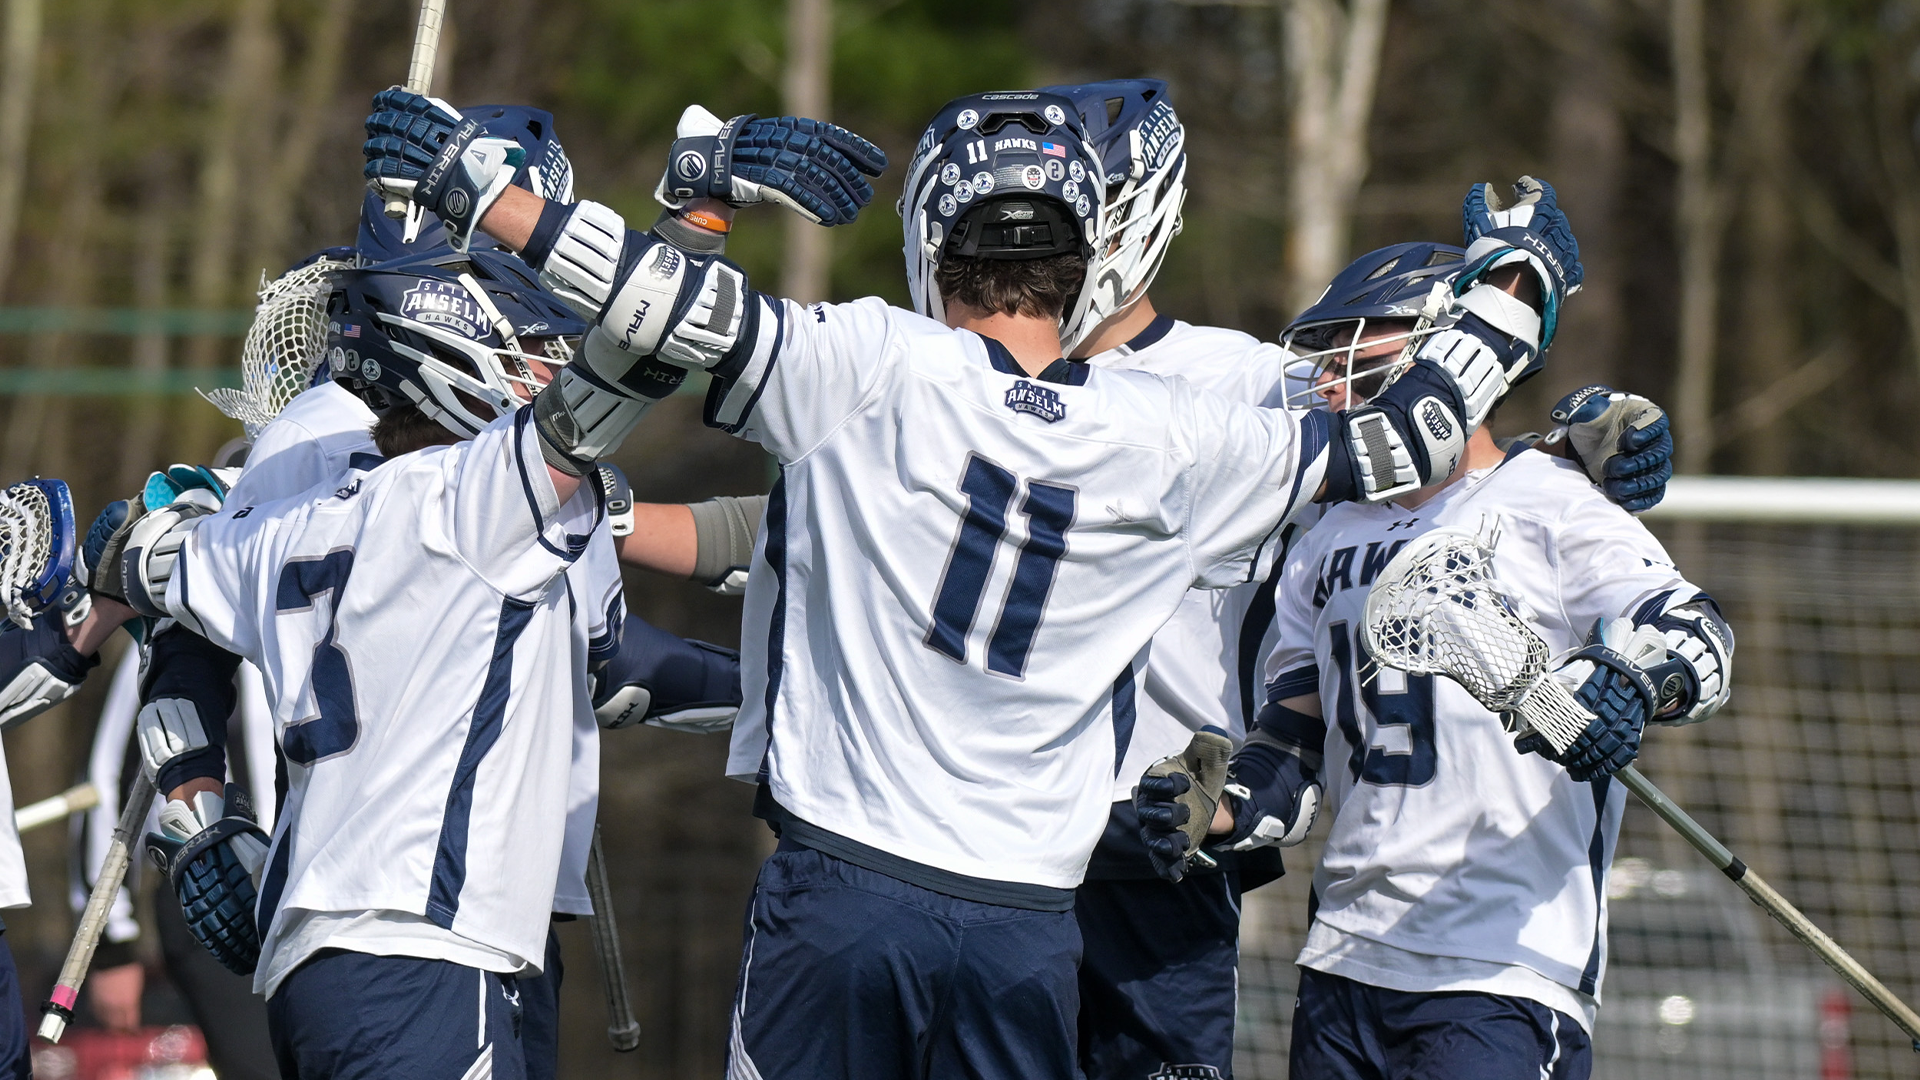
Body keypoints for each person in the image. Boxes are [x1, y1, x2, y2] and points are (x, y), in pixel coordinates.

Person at [359, 82, 1569, 1076]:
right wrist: (1515, 284)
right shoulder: (1175, 440)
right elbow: (1410, 434)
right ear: (1084, 251)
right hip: (1029, 925)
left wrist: (488, 192)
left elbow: (659, 304)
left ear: (935, 243)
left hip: (845, 891)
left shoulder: (871, 361)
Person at [69, 100, 873, 1080]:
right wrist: (698, 209)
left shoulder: (301, 500)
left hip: (317, 928)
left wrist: (198, 824)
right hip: (441, 928)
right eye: (529, 332)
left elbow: (151, 574)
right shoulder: (484, 492)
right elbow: (643, 357)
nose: (545, 355)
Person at [1248, 281, 1731, 1079]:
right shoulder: (1320, 539)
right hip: (1344, 958)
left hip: (1501, 961)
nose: (1331, 388)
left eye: (1355, 352)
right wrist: (1225, 807)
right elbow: (1293, 742)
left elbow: (1696, 631)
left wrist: (1635, 686)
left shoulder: (1552, 501)